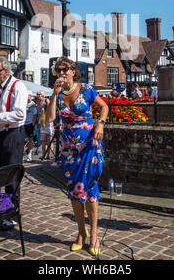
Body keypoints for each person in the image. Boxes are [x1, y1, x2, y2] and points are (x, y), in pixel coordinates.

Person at [46, 57, 108, 257]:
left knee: (90, 190)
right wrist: (54, 94)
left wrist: (100, 123)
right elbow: (50, 118)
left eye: (65, 69)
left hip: (90, 146)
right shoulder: (57, 93)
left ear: (73, 71)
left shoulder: (86, 90)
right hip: (69, 150)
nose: (61, 73)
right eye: (58, 70)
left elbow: (104, 107)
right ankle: (81, 232)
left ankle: (94, 236)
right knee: (74, 191)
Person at [0, 56, 28, 229]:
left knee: (11, 177)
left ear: (7, 70)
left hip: (13, 134)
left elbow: (19, 115)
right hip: (0, 134)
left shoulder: (18, 86)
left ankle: (11, 213)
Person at [23, 93, 38, 162]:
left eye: (27, 95)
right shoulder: (24, 103)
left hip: (30, 124)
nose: (26, 97)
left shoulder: (33, 105)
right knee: (22, 139)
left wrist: (33, 123)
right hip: (24, 123)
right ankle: (22, 154)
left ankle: (29, 155)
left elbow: (35, 114)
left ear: (30, 96)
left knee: (30, 140)